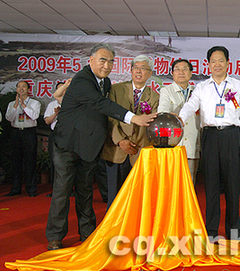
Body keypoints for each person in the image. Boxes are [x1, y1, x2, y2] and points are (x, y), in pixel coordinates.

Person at [45, 43, 156, 251]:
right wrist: (134, 118)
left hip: (88, 146)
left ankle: (87, 233)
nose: (106, 66)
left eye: (110, 62)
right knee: (62, 192)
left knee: (86, 191)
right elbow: (100, 104)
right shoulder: (82, 80)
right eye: (102, 60)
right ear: (91, 61)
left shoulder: (105, 83)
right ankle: (55, 237)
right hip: (67, 145)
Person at [179, 46, 240, 240]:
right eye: (213, 61)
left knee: (233, 186)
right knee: (210, 185)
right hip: (210, 136)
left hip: (232, 136)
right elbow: (191, 105)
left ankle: (233, 232)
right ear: (208, 64)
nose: (217, 64)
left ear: (228, 63)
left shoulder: (238, 86)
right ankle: (211, 232)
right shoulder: (202, 87)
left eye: (221, 60)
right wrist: (178, 119)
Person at [101, 55, 159, 209]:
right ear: (131, 70)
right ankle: (112, 230)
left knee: (137, 197)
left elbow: (151, 125)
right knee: (114, 197)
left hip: (139, 151)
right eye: (136, 68)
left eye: (143, 68)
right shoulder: (116, 89)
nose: (138, 71)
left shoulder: (154, 96)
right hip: (116, 149)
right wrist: (120, 140)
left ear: (150, 73)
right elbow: (109, 118)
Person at [158, 59, 200, 183]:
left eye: (185, 69)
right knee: (171, 182)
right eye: (177, 69)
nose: (181, 72)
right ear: (172, 73)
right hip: (174, 145)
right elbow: (163, 112)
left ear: (191, 73)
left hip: (192, 144)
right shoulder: (166, 91)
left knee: (189, 183)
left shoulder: (197, 92)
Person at [4, 81, 41, 197]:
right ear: (16, 89)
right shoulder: (11, 104)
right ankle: (16, 188)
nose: (21, 89)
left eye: (23, 87)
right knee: (16, 161)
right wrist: (16, 106)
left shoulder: (35, 103)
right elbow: (8, 118)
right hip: (16, 132)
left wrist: (24, 105)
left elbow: (34, 116)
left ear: (28, 90)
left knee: (30, 160)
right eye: (19, 86)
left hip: (29, 132)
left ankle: (31, 189)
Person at [44, 80, 70, 197]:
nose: (62, 91)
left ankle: (70, 190)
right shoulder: (52, 105)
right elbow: (47, 121)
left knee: (69, 164)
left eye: (65, 89)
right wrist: (56, 114)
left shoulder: (72, 103)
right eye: (60, 89)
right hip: (55, 135)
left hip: (69, 136)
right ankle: (55, 190)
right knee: (55, 162)